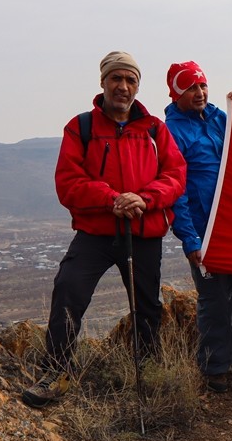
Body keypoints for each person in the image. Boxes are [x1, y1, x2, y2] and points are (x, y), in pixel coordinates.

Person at [22, 51, 187, 409]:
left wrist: (144, 198)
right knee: (68, 290)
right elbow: (68, 183)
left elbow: (175, 176)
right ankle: (57, 372)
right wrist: (112, 198)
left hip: (142, 232)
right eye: (116, 79)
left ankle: (147, 371)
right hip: (96, 232)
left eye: (130, 80)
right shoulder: (81, 127)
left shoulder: (156, 129)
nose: (123, 87)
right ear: (103, 82)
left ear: (138, 86)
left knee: (147, 307)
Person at [165, 61, 232, 393]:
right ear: (176, 93)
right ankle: (214, 367)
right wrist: (190, 239)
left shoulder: (219, 117)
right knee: (214, 301)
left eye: (202, 85)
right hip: (205, 234)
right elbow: (176, 193)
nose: (200, 92)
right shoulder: (172, 132)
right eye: (191, 87)